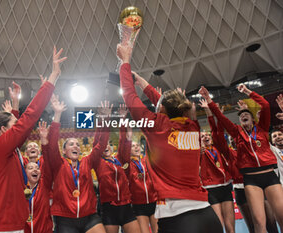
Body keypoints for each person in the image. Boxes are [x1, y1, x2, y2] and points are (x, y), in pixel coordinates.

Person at [117, 43, 222, 233]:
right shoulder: (192, 127)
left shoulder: (157, 126)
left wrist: (125, 62)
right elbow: (171, 105)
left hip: (178, 219)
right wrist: (142, 82)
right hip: (208, 215)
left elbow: (130, 97)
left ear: (162, 110)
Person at [0, 47, 66, 233]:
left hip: (4, 225)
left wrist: (13, 107)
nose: (19, 124)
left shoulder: (3, 150)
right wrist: (53, 76)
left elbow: (12, 128)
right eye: (15, 122)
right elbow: (28, 118)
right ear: (4, 130)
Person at [199, 84, 283, 233]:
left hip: (270, 175)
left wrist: (247, 91)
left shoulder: (262, 128)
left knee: (281, 217)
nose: (243, 115)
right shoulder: (236, 133)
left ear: (252, 118)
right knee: (258, 222)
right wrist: (208, 100)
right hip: (250, 180)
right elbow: (220, 117)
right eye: (241, 115)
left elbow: (264, 104)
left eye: (247, 114)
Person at [48, 96, 110, 233]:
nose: (75, 146)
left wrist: (105, 120)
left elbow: (101, 145)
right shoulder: (58, 163)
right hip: (65, 219)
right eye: (71, 144)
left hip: (89, 216)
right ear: (64, 150)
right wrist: (57, 114)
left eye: (77, 144)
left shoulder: (87, 162)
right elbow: (51, 144)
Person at [93, 104, 141, 233]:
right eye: (104, 145)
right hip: (109, 208)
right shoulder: (98, 162)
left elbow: (124, 142)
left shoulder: (119, 159)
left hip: (126, 206)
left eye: (108, 144)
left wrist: (123, 119)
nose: (106, 146)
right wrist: (104, 118)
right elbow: (98, 140)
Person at [198, 100, 235, 233]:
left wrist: (210, 110)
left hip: (225, 187)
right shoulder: (199, 151)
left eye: (206, 135)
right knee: (218, 228)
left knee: (231, 229)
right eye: (202, 136)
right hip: (210, 190)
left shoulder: (218, 147)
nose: (206, 136)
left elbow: (215, 127)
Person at [23, 121, 53, 233]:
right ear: (26, 153)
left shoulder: (44, 161)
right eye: (29, 146)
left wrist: (44, 139)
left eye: (35, 146)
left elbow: (49, 153)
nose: (32, 147)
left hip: (44, 196)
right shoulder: (22, 164)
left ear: (39, 151)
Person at [126, 128, 158, 233]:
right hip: (139, 205)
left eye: (137, 145)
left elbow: (152, 146)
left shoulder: (146, 160)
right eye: (133, 146)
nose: (136, 147)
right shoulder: (127, 165)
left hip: (153, 202)